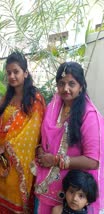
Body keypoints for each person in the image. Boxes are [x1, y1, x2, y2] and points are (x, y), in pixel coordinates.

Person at [34, 62, 104, 214]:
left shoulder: (89, 116)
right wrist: (40, 149)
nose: (65, 89)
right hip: (46, 184)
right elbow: (46, 138)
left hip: (72, 194)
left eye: (71, 84)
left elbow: (93, 161)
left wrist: (55, 160)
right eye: (61, 83)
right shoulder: (55, 105)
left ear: (81, 86)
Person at [0, 51, 45, 213]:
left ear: (25, 73)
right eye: (9, 73)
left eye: (16, 72)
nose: (12, 76)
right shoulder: (6, 98)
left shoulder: (35, 100)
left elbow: (32, 134)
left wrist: (6, 147)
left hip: (20, 163)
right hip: (0, 161)